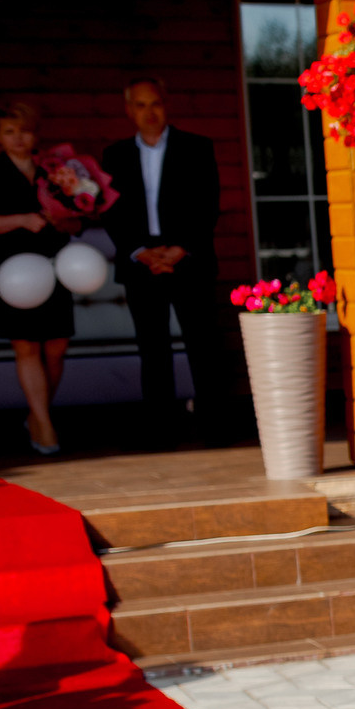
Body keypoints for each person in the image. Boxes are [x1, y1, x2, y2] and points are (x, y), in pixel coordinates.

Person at [100, 79, 227, 445]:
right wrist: (140, 251)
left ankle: (214, 430)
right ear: (129, 111)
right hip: (140, 260)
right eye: (140, 105)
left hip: (189, 257)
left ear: (166, 105)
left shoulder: (196, 147)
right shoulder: (115, 155)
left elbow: (208, 203)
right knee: (152, 348)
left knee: (203, 345)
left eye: (155, 103)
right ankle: (162, 433)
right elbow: (110, 211)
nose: (149, 112)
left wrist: (181, 248)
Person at [0, 100, 77, 456]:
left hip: (55, 262)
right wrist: (22, 219)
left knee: (57, 346)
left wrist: (64, 219)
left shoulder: (55, 169)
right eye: (9, 132)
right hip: (10, 268)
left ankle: (35, 414)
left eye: (24, 131)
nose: (18, 138)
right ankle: (45, 425)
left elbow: (77, 220)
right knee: (26, 345)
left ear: (35, 134)